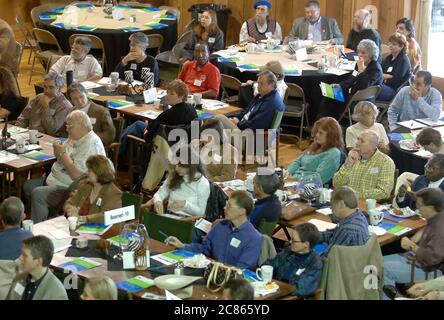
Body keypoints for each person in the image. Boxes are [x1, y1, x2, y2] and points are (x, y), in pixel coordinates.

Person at [23, 110, 106, 223]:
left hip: (69, 188)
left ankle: (41, 229)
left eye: (69, 126)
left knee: (37, 193)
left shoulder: (90, 145)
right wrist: (58, 152)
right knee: (28, 185)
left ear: (81, 125)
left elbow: (77, 175)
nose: (67, 129)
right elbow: (62, 157)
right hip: (54, 179)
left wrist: (62, 153)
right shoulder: (75, 137)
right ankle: (50, 216)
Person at [165, 190, 263, 269]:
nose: (224, 208)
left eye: (229, 206)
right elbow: (204, 249)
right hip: (210, 274)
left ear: (242, 211)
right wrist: (182, 245)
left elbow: (241, 270)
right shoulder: (220, 226)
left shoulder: (254, 239)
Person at [383, 188, 444, 299]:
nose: (417, 207)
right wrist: (421, 233)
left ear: (430, 207)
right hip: (421, 261)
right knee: (377, 261)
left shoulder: (440, 229)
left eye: (420, 205)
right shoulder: (437, 217)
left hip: (432, 270)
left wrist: (412, 246)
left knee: (379, 268)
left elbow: (432, 257)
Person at [119, 79, 198, 157]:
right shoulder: (192, 109)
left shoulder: (167, 115)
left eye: (171, 94)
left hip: (162, 146)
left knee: (137, 125)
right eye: (167, 92)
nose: (167, 95)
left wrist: (147, 132)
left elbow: (148, 137)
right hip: (181, 148)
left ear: (181, 96)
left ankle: (117, 151)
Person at [143, 145, 211, 220]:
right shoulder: (174, 176)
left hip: (187, 222)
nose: (177, 168)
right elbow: (160, 193)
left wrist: (185, 205)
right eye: (176, 164)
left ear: (191, 166)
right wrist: (158, 201)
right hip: (169, 217)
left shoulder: (202, 183)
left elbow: (201, 212)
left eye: (181, 165)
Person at [322, 39, 383, 120]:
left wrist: (361, 71)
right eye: (359, 52)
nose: (360, 55)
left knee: (328, 99)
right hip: (352, 96)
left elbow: (364, 85)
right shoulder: (360, 64)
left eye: (363, 53)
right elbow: (352, 78)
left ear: (371, 55)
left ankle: (328, 122)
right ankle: (325, 121)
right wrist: (340, 85)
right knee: (327, 91)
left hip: (359, 102)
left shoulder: (375, 70)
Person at [333, 130, 395, 201]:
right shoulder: (353, 157)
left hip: (370, 207)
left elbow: (384, 192)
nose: (356, 143)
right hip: (347, 203)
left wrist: (354, 195)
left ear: (373, 146)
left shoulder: (385, 162)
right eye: (357, 139)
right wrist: (348, 164)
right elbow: (336, 184)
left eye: (362, 141)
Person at [264, 223, 323, 297]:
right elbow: (269, 264)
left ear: (306, 244)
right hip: (273, 291)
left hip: (289, 296)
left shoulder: (314, 263)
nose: (290, 242)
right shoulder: (288, 251)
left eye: (294, 240)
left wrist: (276, 286)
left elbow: (302, 289)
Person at [214, 71, 285, 131]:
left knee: (217, 119)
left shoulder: (271, 103)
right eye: (258, 83)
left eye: (261, 84)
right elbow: (246, 112)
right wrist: (235, 118)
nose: (258, 86)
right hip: (242, 128)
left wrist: (237, 123)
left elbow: (256, 125)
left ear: (272, 85)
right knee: (217, 122)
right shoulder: (262, 95)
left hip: (250, 138)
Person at [64, 155, 122, 224]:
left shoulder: (113, 193)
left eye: (89, 171)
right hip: (79, 227)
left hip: (102, 232)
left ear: (99, 173)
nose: (86, 173)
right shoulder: (85, 185)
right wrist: (70, 209)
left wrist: (83, 219)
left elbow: (107, 216)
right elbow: (69, 202)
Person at [7, 235, 68, 300]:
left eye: (25, 255)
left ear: (38, 261)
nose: (20, 258)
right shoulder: (20, 278)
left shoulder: (56, 294)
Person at [288, 117, 343, 186]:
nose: (316, 135)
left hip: (310, 188)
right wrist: (288, 173)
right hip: (293, 181)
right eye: (317, 132)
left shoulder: (333, 153)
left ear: (331, 136)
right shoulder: (316, 145)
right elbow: (298, 160)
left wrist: (294, 179)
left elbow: (318, 179)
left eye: (321, 133)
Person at [318, 186, 370, 255]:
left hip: (343, 264)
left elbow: (329, 257)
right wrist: (315, 236)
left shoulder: (347, 229)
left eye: (332, 204)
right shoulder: (359, 215)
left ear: (341, 204)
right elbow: (334, 233)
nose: (330, 208)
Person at [378, 32, 412, 102]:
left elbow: (396, 80)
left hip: (395, 91)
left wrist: (383, 77)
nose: (390, 46)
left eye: (393, 44)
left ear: (401, 46)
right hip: (384, 86)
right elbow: (379, 73)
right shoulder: (388, 58)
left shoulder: (403, 60)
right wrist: (386, 76)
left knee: (372, 88)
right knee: (368, 85)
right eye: (389, 43)